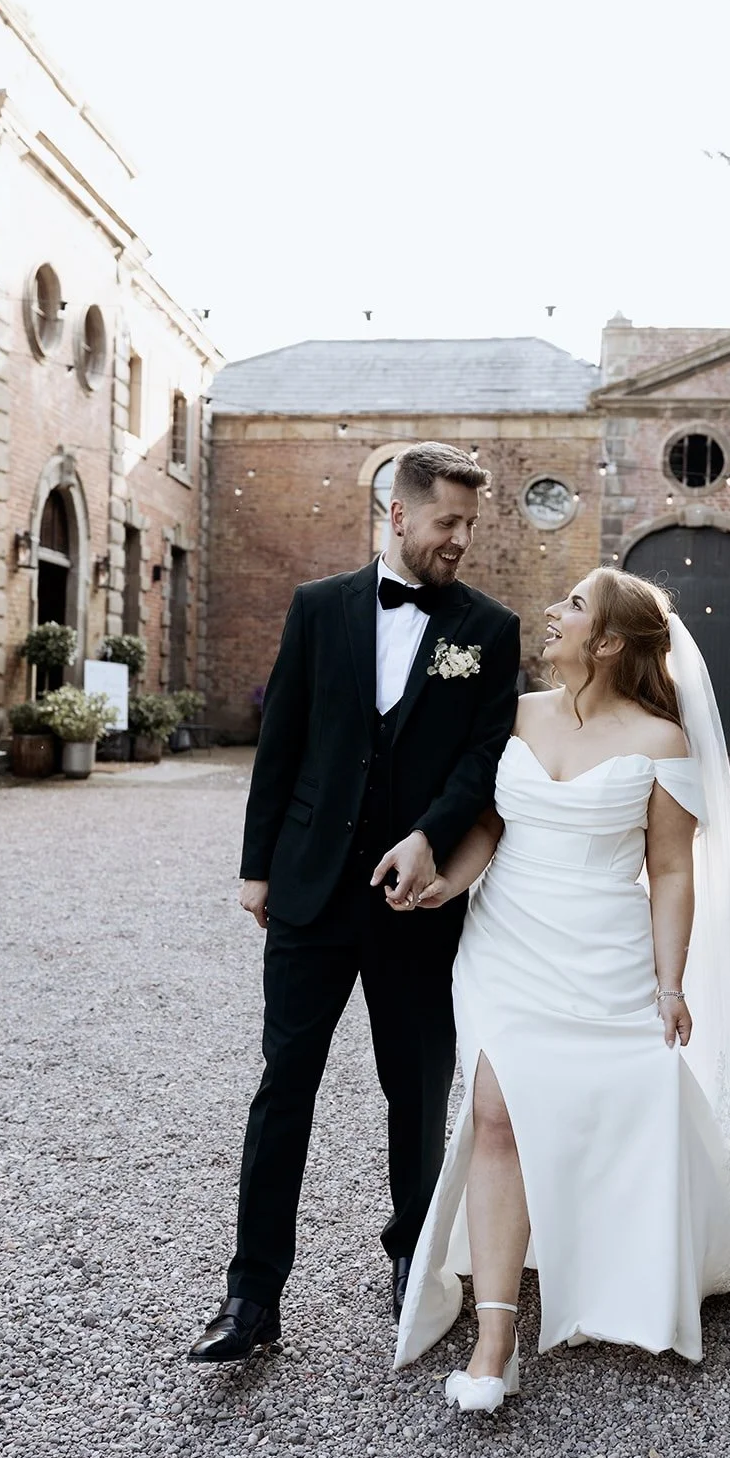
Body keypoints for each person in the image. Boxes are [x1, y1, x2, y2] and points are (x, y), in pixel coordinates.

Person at [394, 567, 730, 1411]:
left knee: (615, 1107)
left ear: (607, 641)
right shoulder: (516, 713)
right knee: (496, 1113)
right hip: (506, 946)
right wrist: (447, 884)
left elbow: (671, 869)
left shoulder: (658, 740)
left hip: (604, 951)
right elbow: (491, 822)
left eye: (571, 606)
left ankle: (626, 1257)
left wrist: (670, 982)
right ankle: (496, 1341)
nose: (552, 613)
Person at [189, 442, 521, 1363]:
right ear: (398, 516)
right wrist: (258, 867)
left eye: (470, 524)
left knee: (414, 1090)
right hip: (308, 890)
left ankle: (413, 1260)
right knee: (281, 1088)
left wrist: (430, 834)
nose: (460, 540)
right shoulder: (318, 607)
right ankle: (251, 1298)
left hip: (418, 900)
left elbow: (483, 756)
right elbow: (281, 742)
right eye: (446, 522)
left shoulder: (489, 629)